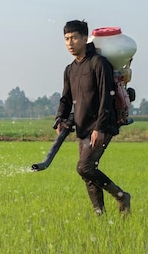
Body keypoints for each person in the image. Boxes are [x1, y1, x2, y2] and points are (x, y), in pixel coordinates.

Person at [55, 20, 131, 215]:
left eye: (74, 38)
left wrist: (100, 128)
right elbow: (66, 98)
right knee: (88, 174)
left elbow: (107, 97)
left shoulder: (99, 63)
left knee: (85, 167)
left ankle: (122, 196)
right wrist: (60, 119)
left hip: (101, 125)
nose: (70, 43)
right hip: (82, 126)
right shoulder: (70, 69)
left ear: (84, 39)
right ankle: (100, 214)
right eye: (66, 39)